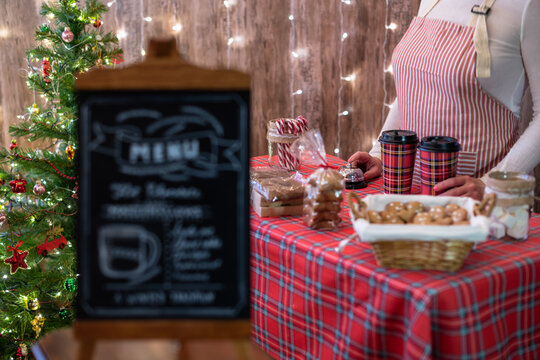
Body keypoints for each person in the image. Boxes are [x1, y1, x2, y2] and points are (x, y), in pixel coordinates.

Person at [348, 0, 540, 200]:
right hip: (407, 192)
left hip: (477, 200)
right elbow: (414, 89)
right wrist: (380, 154)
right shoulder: (431, 2)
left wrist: (491, 185)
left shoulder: (526, 6)